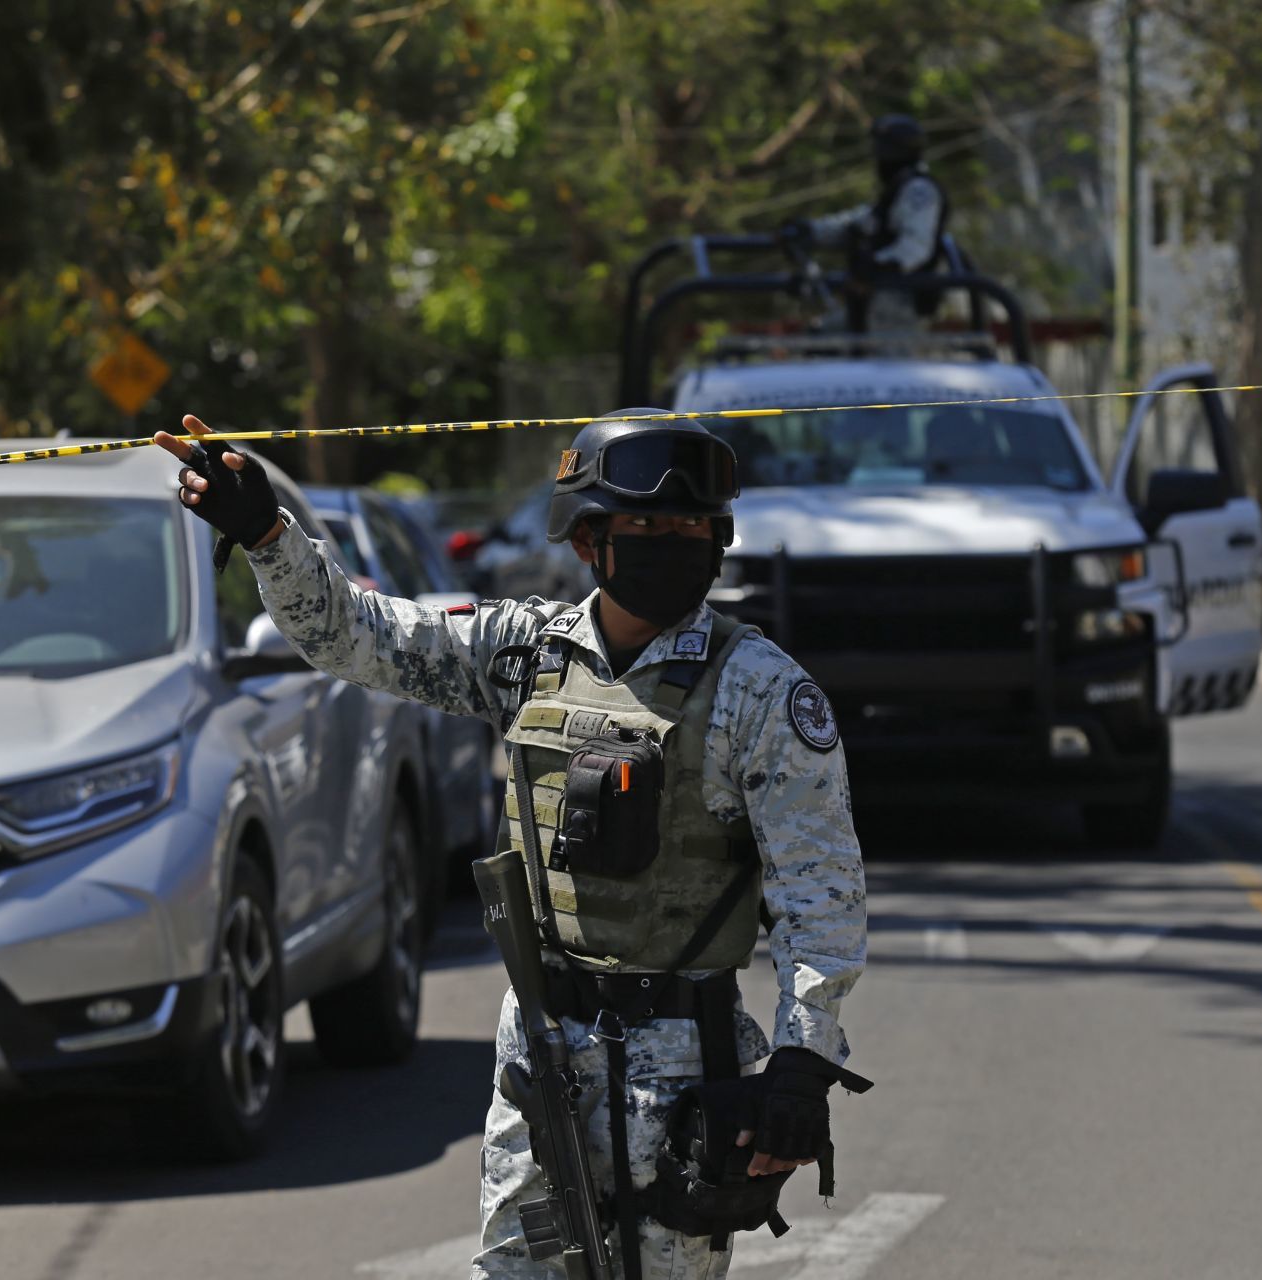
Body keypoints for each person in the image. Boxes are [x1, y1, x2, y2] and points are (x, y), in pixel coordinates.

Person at [154, 410, 867, 1279]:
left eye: (690, 528)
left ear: (718, 542)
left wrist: (801, 1063)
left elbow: (819, 894)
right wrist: (268, 537)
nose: (669, 543)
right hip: (544, 1054)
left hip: (688, 1078)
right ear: (589, 541)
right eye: (643, 526)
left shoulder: (762, 693)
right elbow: (359, 636)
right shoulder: (523, 655)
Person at [781, 113, 948, 333]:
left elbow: (915, 246)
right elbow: (858, 223)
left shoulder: (919, 190)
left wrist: (875, 267)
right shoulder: (894, 193)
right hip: (870, 303)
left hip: (899, 306)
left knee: (881, 365)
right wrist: (811, 231)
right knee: (817, 338)